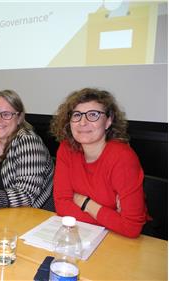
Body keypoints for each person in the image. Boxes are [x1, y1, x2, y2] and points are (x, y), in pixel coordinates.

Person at [50, 88, 147, 238]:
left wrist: (84, 202)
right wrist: (112, 218)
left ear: (108, 121)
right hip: (86, 234)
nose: (83, 122)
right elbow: (62, 205)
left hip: (121, 240)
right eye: (77, 115)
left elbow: (131, 227)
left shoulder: (123, 158)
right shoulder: (66, 149)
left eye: (93, 115)